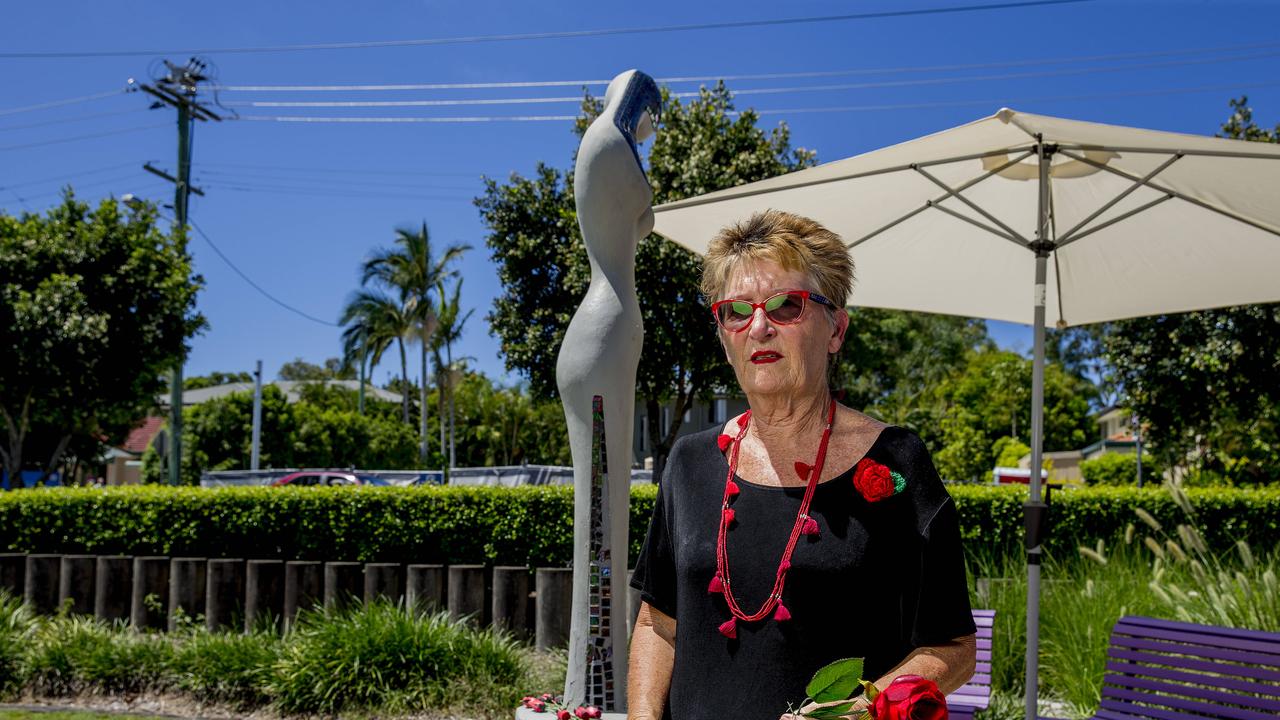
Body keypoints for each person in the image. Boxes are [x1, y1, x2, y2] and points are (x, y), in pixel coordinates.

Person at [628, 210, 977, 720]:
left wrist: (853, 712)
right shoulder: (689, 462)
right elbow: (657, 623)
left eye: (786, 306)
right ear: (724, 337)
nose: (760, 327)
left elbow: (954, 648)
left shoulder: (898, 462)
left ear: (836, 329)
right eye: (736, 312)